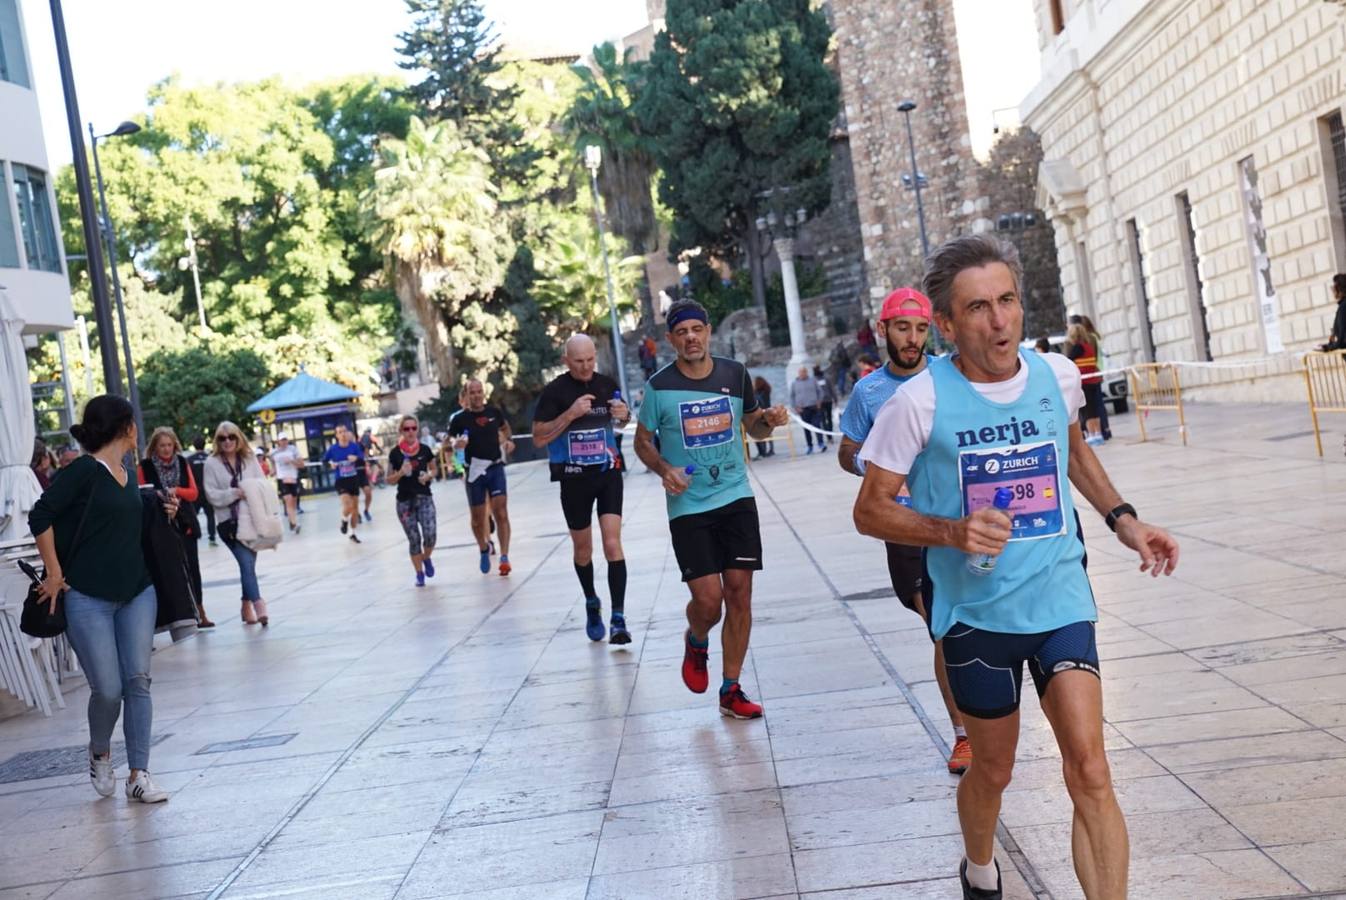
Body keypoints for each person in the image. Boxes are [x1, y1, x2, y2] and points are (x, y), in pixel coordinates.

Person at [853, 234, 1179, 900]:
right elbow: (870, 509)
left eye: (1007, 301)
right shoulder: (918, 403)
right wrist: (951, 529)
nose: (1000, 322)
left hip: (1060, 594)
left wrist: (1124, 519)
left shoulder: (1055, 375)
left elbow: (1073, 451)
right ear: (946, 324)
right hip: (976, 614)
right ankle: (979, 869)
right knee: (993, 771)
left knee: (1089, 767)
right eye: (978, 308)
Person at [634, 299, 790, 719]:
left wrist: (769, 421)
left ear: (707, 332)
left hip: (735, 496)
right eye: (681, 332)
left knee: (740, 594)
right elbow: (641, 441)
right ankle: (697, 638)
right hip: (688, 506)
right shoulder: (659, 387)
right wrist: (665, 468)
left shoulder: (734, 374)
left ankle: (731, 688)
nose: (690, 338)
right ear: (671, 340)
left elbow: (754, 428)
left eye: (696, 330)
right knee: (709, 601)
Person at [838, 286, 971, 775]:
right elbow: (847, 451)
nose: (912, 338)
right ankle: (964, 734)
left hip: (955, 517)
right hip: (905, 524)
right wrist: (881, 469)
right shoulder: (869, 392)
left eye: (919, 329)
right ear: (883, 331)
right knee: (942, 626)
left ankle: (972, 729)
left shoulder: (948, 376)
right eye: (902, 328)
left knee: (952, 626)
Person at [28, 395, 173, 803]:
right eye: (133, 422)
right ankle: (99, 752)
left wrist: (162, 510)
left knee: (138, 681)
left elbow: (124, 526)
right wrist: (55, 573)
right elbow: (40, 516)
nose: (137, 429)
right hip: (87, 596)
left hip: (137, 591)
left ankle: (139, 774)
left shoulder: (127, 471)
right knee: (108, 689)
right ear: (124, 426)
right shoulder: (83, 472)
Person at [532, 334, 633, 644]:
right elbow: (538, 437)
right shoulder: (554, 392)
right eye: (579, 361)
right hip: (573, 479)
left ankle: (618, 618)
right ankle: (591, 600)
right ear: (566, 361)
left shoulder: (605, 383)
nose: (587, 366)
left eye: (591, 359)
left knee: (613, 544)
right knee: (583, 549)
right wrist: (570, 414)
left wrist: (624, 415)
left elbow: (623, 421)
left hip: (607, 474)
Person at [138, 426, 212, 629]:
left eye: (169, 445)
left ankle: (199, 609)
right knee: (165, 568)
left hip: (185, 521)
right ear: (155, 446)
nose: (166, 449)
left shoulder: (182, 462)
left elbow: (194, 493)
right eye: (162, 445)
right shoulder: (145, 466)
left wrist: (175, 490)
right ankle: (171, 614)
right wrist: (162, 496)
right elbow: (143, 493)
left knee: (193, 567)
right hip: (159, 524)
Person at [205, 421, 273, 625]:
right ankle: (259, 604)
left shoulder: (249, 459)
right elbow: (211, 494)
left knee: (249, 566)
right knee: (246, 562)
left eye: (231, 437)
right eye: (222, 438)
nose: (227, 442)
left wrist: (250, 490)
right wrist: (234, 493)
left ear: (238, 437)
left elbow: (263, 484)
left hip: (252, 519)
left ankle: (245, 607)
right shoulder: (212, 463)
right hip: (229, 523)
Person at [450, 379, 514, 576]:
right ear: (466, 396)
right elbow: (451, 440)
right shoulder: (459, 419)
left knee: (501, 512)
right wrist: (457, 444)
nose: (477, 395)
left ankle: (504, 557)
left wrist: (507, 441)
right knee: (478, 519)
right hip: (474, 470)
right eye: (472, 392)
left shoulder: (494, 413)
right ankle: (483, 547)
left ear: (483, 393)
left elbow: (505, 429)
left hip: (495, 468)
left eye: (479, 391)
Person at [387, 415, 438, 587]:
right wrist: (400, 472)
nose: (410, 432)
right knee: (414, 539)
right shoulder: (395, 454)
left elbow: (434, 468)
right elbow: (388, 479)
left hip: (424, 497)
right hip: (404, 502)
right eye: (407, 429)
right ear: (401, 431)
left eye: (413, 428)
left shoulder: (424, 449)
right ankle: (419, 573)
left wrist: (429, 475)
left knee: (430, 535)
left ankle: (427, 557)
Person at [1069, 314, 1111, 440]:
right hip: (1093, 380)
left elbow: (1068, 360)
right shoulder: (1088, 346)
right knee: (1095, 408)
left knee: (1086, 410)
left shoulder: (1077, 347)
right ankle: (1098, 433)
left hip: (1084, 381)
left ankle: (1092, 434)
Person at [323, 424, 365, 544]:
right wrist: (330, 464)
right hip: (341, 480)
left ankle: (352, 533)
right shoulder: (333, 449)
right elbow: (324, 461)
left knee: (355, 509)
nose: (343, 434)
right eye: (340, 432)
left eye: (344, 431)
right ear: (337, 435)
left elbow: (362, 459)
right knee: (348, 506)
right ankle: (344, 520)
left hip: (353, 479)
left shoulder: (354, 447)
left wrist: (356, 459)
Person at [789, 365, 827, 454]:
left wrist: (819, 402)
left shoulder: (813, 380)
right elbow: (792, 396)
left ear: (807, 372)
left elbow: (820, 391)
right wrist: (795, 407)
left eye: (804, 372)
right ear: (798, 373)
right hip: (803, 409)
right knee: (806, 428)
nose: (802, 374)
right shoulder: (794, 383)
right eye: (801, 372)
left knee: (817, 425)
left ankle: (821, 443)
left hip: (814, 407)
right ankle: (810, 446)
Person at [269, 435, 303, 533]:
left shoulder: (293, 450)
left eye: (285, 439)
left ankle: (291, 522)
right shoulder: (274, 452)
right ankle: (295, 524)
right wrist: (273, 470)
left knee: (293, 501)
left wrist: (291, 461)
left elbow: (301, 465)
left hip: (293, 478)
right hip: (282, 479)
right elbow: (272, 463)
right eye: (282, 440)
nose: (284, 442)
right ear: (278, 441)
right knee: (288, 500)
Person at [186, 436, 215, 546]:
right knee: (210, 515)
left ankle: (195, 534)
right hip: (208, 491)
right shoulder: (210, 458)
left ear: (194, 445)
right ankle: (212, 538)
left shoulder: (189, 460)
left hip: (196, 492)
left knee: (194, 514)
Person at [358, 427, 381, 518]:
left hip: (363, 468)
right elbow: (370, 446)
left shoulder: (364, 437)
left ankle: (366, 510)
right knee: (354, 496)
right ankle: (357, 513)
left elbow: (372, 445)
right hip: (357, 471)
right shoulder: (366, 437)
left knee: (368, 493)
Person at [1320, 273, 1346, 351]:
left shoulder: (1343, 307)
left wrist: (1327, 348)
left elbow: (1341, 340)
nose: (1332, 291)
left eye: (1333, 288)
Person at [751, 376, 775, 459]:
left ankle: (764, 451)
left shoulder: (760, 392)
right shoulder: (766, 390)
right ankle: (766, 451)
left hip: (763, 414)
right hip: (767, 412)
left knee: (763, 433)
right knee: (766, 433)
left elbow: (760, 403)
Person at [813, 365, 836, 444]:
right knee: (824, 420)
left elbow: (831, 389)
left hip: (828, 401)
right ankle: (828, 436)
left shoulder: (826, 378)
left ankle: (830, 435)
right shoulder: (814, 380)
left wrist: (835, 399)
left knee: (828, 419)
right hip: (820, 402)